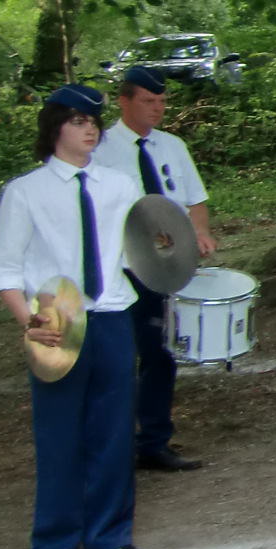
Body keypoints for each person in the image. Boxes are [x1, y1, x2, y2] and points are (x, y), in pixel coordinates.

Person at [0, 85, 159, 549]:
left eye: (94, 122)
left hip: (112, 316)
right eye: (78, 121)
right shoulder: (25, 191)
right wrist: (28, 321)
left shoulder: (119, 185)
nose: (90, 129)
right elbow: (5, 268)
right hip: (57, 320)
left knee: (114, 432)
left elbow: (141, 249)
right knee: (59, 437)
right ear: (55, 129)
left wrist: (170, 249)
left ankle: (109, 540)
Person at [93, 66, 216, 471]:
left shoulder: (172, 146)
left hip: (166, 267)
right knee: (118, 357)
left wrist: (200, 232)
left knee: (160, 354)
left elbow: (195, 200)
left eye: (162, 101)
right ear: (124, 101)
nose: (158, 108)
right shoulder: (100, 148)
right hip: (121, 268)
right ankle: (112, 443)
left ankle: (154, 441)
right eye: (148, 100)